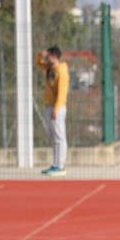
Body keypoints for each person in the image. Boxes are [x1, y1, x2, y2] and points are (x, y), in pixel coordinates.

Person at [36, 46, 70, 176]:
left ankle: (60, 166)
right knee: (53, 136)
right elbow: (38, 63)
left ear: (54, 56)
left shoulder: (61, 71)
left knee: (59, 136)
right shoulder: (50, 68)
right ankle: (55, 164)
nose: (47, 58)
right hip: (49, 105)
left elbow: (62, 93)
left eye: (49, 55)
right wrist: (40, 54)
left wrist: (56, 110)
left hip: (58, 107)